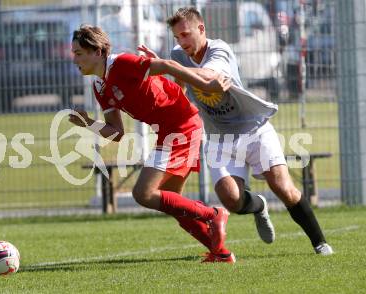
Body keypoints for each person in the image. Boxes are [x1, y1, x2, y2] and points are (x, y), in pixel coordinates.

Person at [138, 7, 333, 255]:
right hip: (219, 138)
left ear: (201, 29)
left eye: (185, 35)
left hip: (254, 130)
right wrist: (167, 75)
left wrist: (167, 66)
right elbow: (182, 86)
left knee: (284, 188)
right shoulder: (178, 55)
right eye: (177, 37)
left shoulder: (220, 50)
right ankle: (259, 206)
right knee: (231, 199)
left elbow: (208, 77)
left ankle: (320, 242)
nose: (181, 42)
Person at [69, 25, 236, 263]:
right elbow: (116, 132)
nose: (74, 59)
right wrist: (87, 123)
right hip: (169, 130)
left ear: (97, 51)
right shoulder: (99, 86)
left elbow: (169, 65)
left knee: (143, 193)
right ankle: (220, 253)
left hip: (181, 126)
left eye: (78, 53)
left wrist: (206, 85)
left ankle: (214, 214)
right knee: (173, 203)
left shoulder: (122, 64)